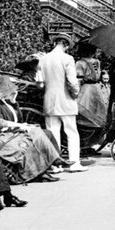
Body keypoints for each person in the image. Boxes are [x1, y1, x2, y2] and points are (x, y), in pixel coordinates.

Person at [0, 84, 59, 188]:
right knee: (29, 139)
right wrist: (21, 126)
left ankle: (45, 168)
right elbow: (1, 123)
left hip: (0, 137)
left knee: (34, 132)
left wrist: (21, 125)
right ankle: (43, 168)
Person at [36, 33, 86, 173]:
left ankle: (55, 165)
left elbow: (39, 82)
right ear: (66, 44)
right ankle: (74, 163)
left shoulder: (43, 59)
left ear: (55, 43)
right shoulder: (68, 58)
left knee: (53, 132)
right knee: (71, 132)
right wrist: (76, 93)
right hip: (66, 100)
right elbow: (72, 81)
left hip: (49, 100)